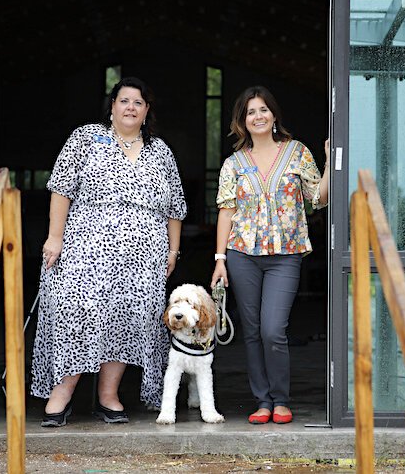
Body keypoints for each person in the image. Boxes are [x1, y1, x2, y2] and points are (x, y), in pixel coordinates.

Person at [31, 76, 187, 427]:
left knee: (126, 321)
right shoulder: (85, 138)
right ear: (112, 106)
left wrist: (172, 252)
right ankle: (62, 393)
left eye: (138, 102)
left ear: (147, 111)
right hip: (85, 249)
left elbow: (175, 207)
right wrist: (55, 237)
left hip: (144, 257)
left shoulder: (160, 151)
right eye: (124, 101)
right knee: (76, 313)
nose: (130, 107)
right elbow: (61, 188)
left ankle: (108, 396)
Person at [210, 86, 329, 424]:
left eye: (263, 110)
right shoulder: (234, 164)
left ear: (274, 115)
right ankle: (262, 401)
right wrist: (220, 260)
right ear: (242, 121)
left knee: (273, 329)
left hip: (285, 255)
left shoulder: (297, 153)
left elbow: (317, 198)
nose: (258, 116)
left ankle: (281, 399)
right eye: (251, 112)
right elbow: (226, 211)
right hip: (241, 254)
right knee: (250, 330)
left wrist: (332, 162)